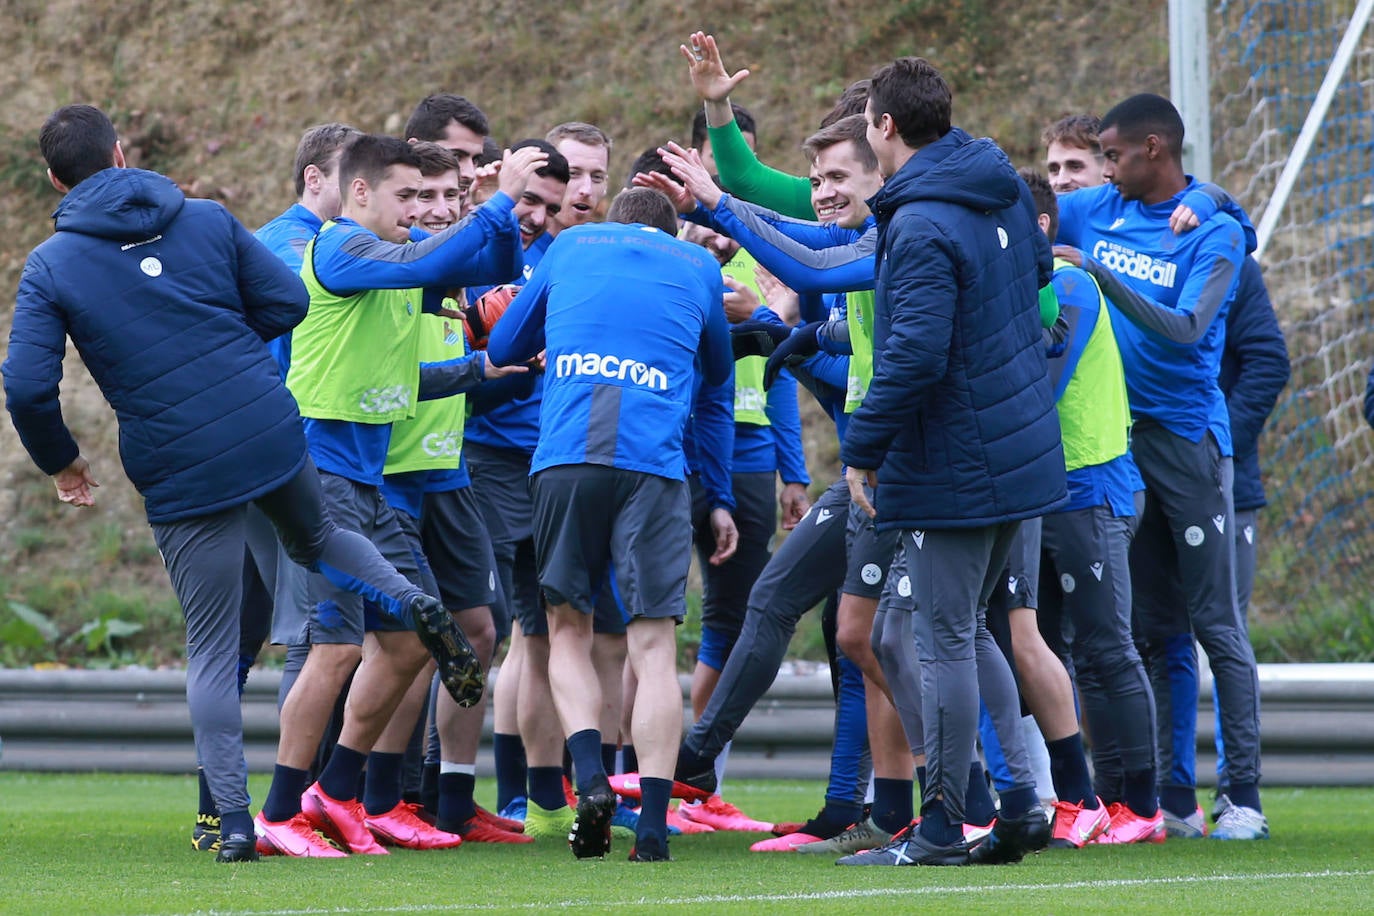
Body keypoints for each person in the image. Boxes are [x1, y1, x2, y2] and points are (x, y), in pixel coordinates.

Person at [2, 105, 462, 863]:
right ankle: (411, 600)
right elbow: (288, 302)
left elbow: (25, 387)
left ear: (55, 180)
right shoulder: (208, 218)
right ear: (121, 154)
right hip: (265, 425)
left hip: (178, 458)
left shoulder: (52, 264)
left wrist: (62, 462)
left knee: (214, 651)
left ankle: (234, 821)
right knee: (321, 537)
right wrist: (230, 359)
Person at [251, 133, 547, 856]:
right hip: (317, 477)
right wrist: (502, 197)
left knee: (414, 638)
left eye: (427, 196)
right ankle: (279, 813)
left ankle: (336, 793)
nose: (419, 210)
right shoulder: (342, 249)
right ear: (359, 192)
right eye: (406, 196)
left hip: (367, 481)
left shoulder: (398, 259)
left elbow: (493, 266)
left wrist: (489, 211)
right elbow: (435, 261)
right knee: (334, 649)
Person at [839, 58, 1066, 866]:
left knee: (937, 639)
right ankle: (1024, 805)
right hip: (1021, 450)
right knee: (968, 630)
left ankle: (938, 828)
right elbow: (1039, 280)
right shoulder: (1000, 188)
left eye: (868, 118)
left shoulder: (921, 222)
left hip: (956, 463)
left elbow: (916, 353)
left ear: (886, 126)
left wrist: (862, 448)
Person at [487, 187, 732, 862]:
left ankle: (590, 779)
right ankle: (651, 827)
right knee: (652, 645)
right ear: (670, 231)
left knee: (566, 628)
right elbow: (717, 370)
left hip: (567, 456)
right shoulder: (697, 264)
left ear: (615, 222)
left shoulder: (570, 245)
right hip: (653, 464)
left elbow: (505, 344)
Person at [1052, 92, 1269, 841]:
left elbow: (1186, 328)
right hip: (1118, 443)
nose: (1103, 170)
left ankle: (1243, 797)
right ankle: (1157, 799)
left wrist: (1104, 273)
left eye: (1112, 155)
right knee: (1142, 629)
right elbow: (1024, 210)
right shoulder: (1097, 209)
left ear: (1154, 149)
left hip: (1188, 445)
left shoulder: (1212, 231)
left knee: (1217, 625)